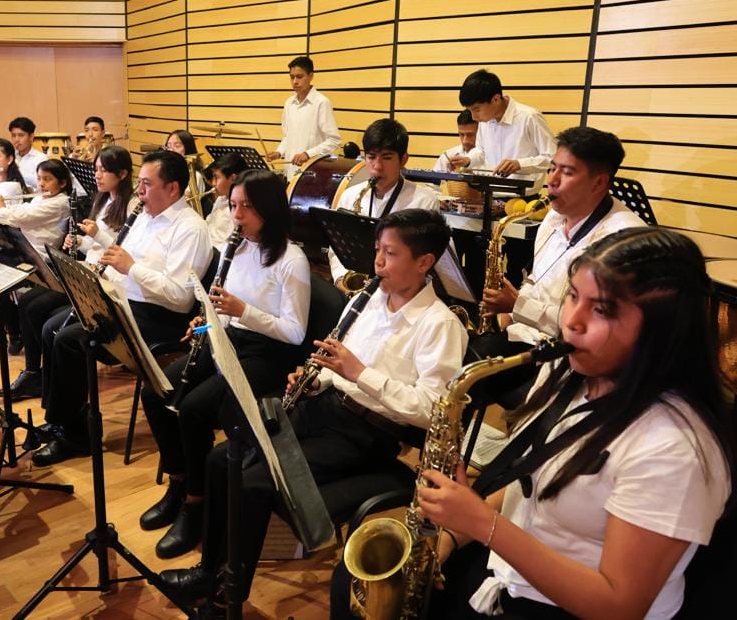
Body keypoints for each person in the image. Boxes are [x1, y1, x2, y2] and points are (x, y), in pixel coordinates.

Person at [416, 226, 734, 619]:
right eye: (573, 296)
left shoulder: (674, 450)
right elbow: (531, 484)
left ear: (663, 331)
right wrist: (454, 533)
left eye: (601, 310)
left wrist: (482, 524)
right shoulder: (569, 373)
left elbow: (618, 606)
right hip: (510, 575)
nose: (571, 321)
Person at [158, 209, 469, 609]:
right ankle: (209, 571)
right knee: (223, 458)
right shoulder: (369, 299)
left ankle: (226, 597)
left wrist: (359, 373)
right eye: (377, 249)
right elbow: (338, 366)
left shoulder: (440, 325)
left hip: (368, 435)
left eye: (390, 254)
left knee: (254, 483)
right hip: (325, 408)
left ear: (424, 262)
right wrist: (319, 378)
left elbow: (431, 410)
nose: (377, 262)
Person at [139, 169, 311, 559]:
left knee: (193, 409)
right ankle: (179, 482)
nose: (236, 215)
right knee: (156, 391)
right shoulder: (239, 247)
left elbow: (295, 332)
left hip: (268, 354)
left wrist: (242, 310)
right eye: (233, 205)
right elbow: (223, 309)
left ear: (269, 208)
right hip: (229, 337)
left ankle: (196, 504)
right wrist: (206, 322)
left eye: (246, 207)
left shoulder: (292, 260)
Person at [32, 149, 213, 466]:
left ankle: (76, 436)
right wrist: (96, 274)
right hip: (125, 302)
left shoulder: (191, 229)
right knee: (52, 327)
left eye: (147, 184)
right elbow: (121, 259)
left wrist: (131, 268)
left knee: (70, 340)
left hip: (161, 318)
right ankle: (61, 419)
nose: (139, 191)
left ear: (172, 188)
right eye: (139, 182)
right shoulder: (144, 216)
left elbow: (180, 298)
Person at [472, 126, 645, 407]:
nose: (551, 181)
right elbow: (536, 280)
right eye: (552, 168)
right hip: (526, 336)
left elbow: (596, 329)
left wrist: (517, 305)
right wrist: (509, 313)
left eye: (566, 172)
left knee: (468, 375)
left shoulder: (620, 240)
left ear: (599, 183)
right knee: (455, 361)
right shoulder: (553, 217)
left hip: (570, 357)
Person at [7, 145, 136, 401]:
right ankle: (34, 372)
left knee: (39, 311)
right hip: (86, 270)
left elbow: (124, 251)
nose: (97, 175)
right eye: (96, 169)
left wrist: (95, 236)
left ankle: (43, 377)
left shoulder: (131, 205)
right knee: (29, 301)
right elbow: (94, 246)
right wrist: (79, 242)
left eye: (103, 170)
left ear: (122, 174)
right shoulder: (103, 200)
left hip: (104, 279)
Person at [327, 118, 440, 286]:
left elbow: (425, 262)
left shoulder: (424, 201)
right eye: (371, 157)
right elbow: (337, 248)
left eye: (386, 158)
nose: (377, 166)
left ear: (403, 159)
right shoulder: (350, 196)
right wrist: (342, 280)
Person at [0, 158, 73, 356]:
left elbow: (20, 219)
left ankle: (16, 333)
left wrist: (0, 208)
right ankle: (15, 331)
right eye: (39, 178)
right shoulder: (40, 198)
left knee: (1, 285)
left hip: (41, 259)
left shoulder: (60, 203)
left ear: (62, 183)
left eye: (47, 179)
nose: (41, 184)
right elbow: (20, 211)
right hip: (24, 252)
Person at [458, 69, 555, 195]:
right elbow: (481, 151)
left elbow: (552, 157)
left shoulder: (529, 117)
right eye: (470, 111)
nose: (474, 117)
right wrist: (468, 160)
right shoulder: (484, 121)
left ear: (496, 99)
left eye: (476, 110)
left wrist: (520, 164)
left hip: (523, 199)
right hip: (491, 196)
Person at [265, 56, 341, 179]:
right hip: (290, 173)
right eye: (292, 77)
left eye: (299, 77)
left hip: (312, 175)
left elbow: (334, 140)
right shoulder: (289, 103)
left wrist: (308, 154)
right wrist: (279, 152)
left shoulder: (321, 102)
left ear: (310, 76)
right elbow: (287, 137)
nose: (295, 81)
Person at [202, 152, 250, 246]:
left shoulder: (239, 209)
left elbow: (228, 243)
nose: (213, 183)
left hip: (217, 251)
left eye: (217, 177)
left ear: (233, 178)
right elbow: (209, 224)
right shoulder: (221, 199)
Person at [8, 116, 46, 192]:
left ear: (31, 137)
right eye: (13, 135)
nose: (16, 140)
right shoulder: (9, 157)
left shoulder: (41, 158)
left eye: (21, 135)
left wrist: (15, 169)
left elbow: (42, 183)